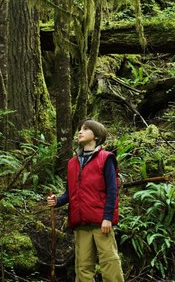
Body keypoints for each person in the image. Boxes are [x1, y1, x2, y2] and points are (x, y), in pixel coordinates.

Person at [47, 119, 124, 282]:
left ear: (96, 136)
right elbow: (70, 193)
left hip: (100, 222)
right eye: (79, 129)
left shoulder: (106, 158)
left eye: (85, 129)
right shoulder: (72, 163)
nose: (80, 132)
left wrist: (108, 218)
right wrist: (57, 201)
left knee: (110, 263)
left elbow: (112, 191)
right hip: (80, 223)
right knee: (83, 268)